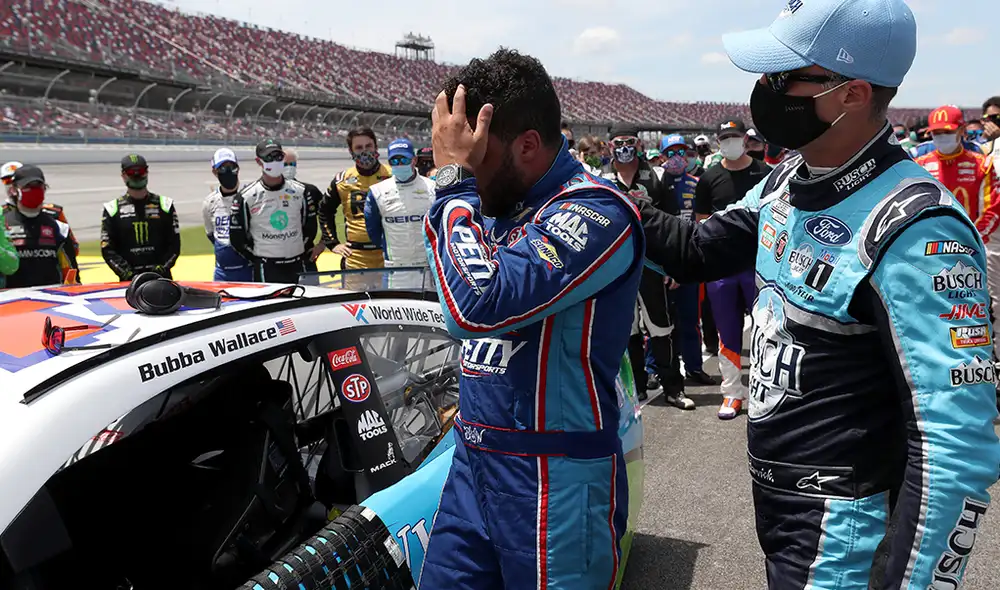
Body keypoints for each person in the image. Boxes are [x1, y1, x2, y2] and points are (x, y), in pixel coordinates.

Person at [639, 1, 1000, 587]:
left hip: (846, 533)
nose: (764, 90)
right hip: (782, 505)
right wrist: (586, 192)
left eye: (785, 76)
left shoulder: (915, 226)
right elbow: (695, 249)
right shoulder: (788, 178)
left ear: (853, 94)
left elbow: (955, 447)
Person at [418, 48, 643, 590]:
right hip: (472, 465)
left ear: (527, 145)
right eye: (459, 153)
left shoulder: (597, 211)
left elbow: (477, 304)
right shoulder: (492, 205)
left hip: (555, 479)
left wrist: (453, 181)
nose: (470, 167)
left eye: (478, 154)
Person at [601, 126, 693, 409]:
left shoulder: (657, 176)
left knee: (661, 327)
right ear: (610, 146)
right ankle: (636, 389)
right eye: (619, 143)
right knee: (626, 330)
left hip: (652, 265)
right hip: (618, 268)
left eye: (630, 142)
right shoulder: (601, 179)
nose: (625, 148)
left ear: (639, 144)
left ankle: (673, 388)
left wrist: (674, 265)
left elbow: (671, 223)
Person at [694, 116, 768, 420]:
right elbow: (700, 222)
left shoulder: (765, 173)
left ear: (746, 140)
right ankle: (732, 393)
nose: (730, 144)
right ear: (717, 142)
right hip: (721, 268)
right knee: (727, 331)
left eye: (734, 138)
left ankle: (768, 392)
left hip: (758, 265)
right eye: (724, 139)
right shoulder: (709, 177)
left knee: (766, 329)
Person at [659, 133, 713, 386]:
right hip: (660, 261)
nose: (677, 158)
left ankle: (694, 366)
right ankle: (654, 368)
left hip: (688, 258)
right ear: (662, 157)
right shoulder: (655, 183)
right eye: (671, 153)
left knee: (691, 319)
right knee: (659, 321)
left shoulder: (697, 183)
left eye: (682, 152)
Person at [229, 138, 316, 284]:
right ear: (259, 161)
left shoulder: (301, 191)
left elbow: (310, 227)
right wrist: (257, 257)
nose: (275, 161)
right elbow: (237, 238)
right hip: (266, 267)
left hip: (297, 263)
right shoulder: (246, 196)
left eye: (278, 156)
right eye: (269, 157)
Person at [319, 126, 392, 272]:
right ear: (351, 151)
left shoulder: (392, 175)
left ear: (376, 147)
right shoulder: (342, 180)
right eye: (359, 147)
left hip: (389, 255)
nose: (365, 151)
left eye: (368, 146)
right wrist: (332, 243)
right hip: (356, 257)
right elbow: (324, 211)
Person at [101, 154, 180, 281]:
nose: (137, 175)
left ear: (147, 172)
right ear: (123, 175)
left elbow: (174, 245)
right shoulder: (112, 209)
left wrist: (161, 269)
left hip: (161, 279)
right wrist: (127, 274)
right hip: (128, 281)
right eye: (132, 172)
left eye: (141, 171)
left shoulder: (165, 205)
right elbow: (107, 249)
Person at [363, 137, 435, 271]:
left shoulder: (432, 187)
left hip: (428, 266)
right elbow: (373, 231)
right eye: (394, 161)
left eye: (404, 160)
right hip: (394, 266)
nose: (399, 164)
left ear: (414, 160)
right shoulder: (377, 191)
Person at [3, 164, 78, 287]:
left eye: (38, 186)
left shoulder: (59, 228)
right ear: (14, 190)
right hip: (12, 300)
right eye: (28, 187)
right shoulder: (3, 225)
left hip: (51, 301)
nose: (34, 190)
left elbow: (72, 273)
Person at [914, 105, 994, 221]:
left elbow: (990, 211)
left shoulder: (983, 165)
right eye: (936, 133)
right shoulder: (918, 166)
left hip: (971, 236)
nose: (942, 137)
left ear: (961, 130)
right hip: (932, 236)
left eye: (947, 131)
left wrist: (974, 237)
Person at [202, 148, 252, 282]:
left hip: (248, 269)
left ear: (238, 168)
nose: (228, 171)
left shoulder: (249, 196)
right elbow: (211, 234)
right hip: (222, 272)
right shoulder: (209, 202)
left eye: (232, 167)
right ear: (214, 171)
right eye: (223, 168)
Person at [282, 148, 324, 273]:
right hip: (276, 261)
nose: (289, 168)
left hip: (306, 258)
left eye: (292, 164)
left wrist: (322, 243)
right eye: (285, 164)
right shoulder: (265, 193)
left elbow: (328, 215)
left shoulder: (310, 191)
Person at [982, 96, 1000, 161]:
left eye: (998, 118)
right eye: (991, 117)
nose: (995, 121)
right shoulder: (974, 144)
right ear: (983, 120)